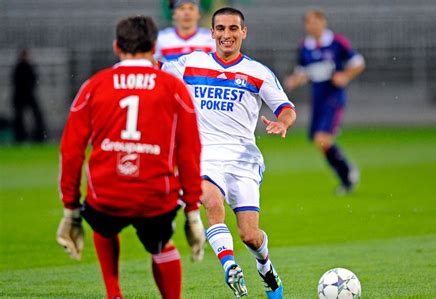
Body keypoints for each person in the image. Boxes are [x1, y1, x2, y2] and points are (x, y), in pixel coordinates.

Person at [56, 15, 205, 299]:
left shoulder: (94, 85)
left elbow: (71, 149)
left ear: (116, 47)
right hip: (155, 195)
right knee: (162, 246)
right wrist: (193, 213)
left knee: (103, 223)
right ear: (154, 46)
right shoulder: (173, 88)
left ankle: (114, 293)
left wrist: (71, 210)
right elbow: (190, 151)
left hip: (105, 193)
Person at [163, 7, 296, 299]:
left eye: (233, 29)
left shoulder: (257, 72)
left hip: (244, 158)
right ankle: (230, 266)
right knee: (211, 201)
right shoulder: (189, 63)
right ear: (212, 33)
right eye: (220, 29)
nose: (226, 35)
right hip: (204, 154)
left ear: (243, 32)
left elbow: (286, 108)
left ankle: (265, 266)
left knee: (250, 235)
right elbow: (157, 75)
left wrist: (282, 122)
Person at [284, 9, 366, 194]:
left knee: (323, 139)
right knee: (319, 141)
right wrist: (294, 80)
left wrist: (345, 75)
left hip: (333, 97)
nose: (312, 26)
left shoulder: (337, 42)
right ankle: (346, 176)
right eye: (309, 23)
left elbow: (358, 62)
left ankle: (346, 173)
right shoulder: (305, 46)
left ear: (323, 22)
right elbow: (304, 72)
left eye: (315, 21)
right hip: (317, 98)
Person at [11, 49, 47, 142]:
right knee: (20, 118)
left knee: (34, 116)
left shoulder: (24, 67)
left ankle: (36, 136)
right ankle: (24, 137)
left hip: (26, 95)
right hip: (23, 95)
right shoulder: (21, 67)